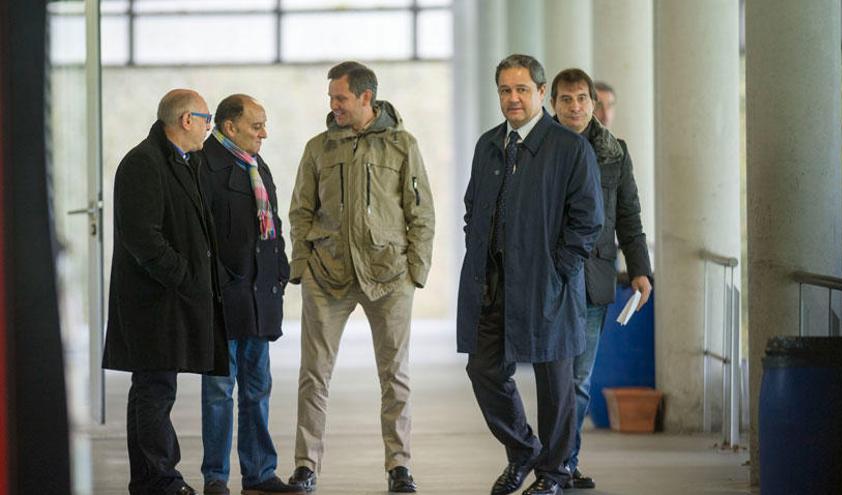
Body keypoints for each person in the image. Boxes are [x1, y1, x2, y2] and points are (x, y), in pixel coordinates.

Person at [457, 54, 604, 495]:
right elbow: (472, 209)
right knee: (483, 368)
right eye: (505, 90)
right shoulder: (489, 145)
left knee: (555, 381)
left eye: (522, 89)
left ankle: (554, 474)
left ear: (541, 93)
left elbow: (587, 220)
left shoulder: (569, 147)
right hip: (493, 281)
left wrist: (560, 269)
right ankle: (523, 450)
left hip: (549, 283)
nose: (513, 98)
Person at [288, 61, 435, 493]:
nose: (333, 106)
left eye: (341, 98)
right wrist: (302, 266)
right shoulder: (318, 148)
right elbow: (300, 210)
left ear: (366, 98)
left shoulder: (402, 145)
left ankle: (400, 467)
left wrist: (415, 271)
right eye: (331, 98)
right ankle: (305, 466)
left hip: (389, 277)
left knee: (395, 375)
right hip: (327, 274)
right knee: (314, 373)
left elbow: (421, 211)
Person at [102, 89, 229, 495]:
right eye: (206, 117)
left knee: (154, 388)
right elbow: (143, 239)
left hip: (169, 299)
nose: (210, 126)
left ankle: (148, 480)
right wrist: (184, 275)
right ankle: (160, 480)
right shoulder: (144, 163)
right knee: (154, 389)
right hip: (151, 302)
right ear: (186, 120)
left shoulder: (181, 161)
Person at [550, 68, 653, 489]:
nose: (575, 107)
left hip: (594, 277)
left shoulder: (615, 153)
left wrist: (641, 271)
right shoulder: (536, 148)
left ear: (594, 103)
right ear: (551, 103)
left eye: (581, 99)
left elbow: (629, 217)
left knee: (578, 377)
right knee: (550, 375)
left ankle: (564, 463)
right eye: (565, 99)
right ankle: (545, 458)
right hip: (547, 277)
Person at [198, 95, 300, 495]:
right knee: (220, 391)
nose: (264, 133)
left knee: (257, 389)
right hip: (224, 299)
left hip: (259, 298)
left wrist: (281, 269)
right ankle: (216, 478)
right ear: (229, 127)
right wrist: (219, 282)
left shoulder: (257, 165)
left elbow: (272, 223)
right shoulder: (204, 167)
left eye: (264, 124)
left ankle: (258, 475)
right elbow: (200, 237)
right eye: (256, 126)